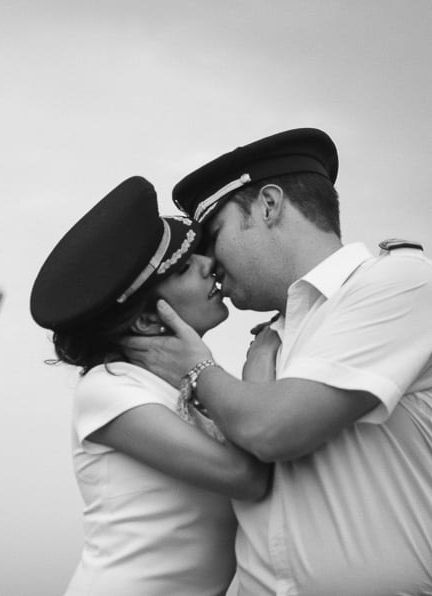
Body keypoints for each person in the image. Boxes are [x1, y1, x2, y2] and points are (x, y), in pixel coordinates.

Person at [125, 128, 432, 595]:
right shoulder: (271, 337)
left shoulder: (401, 282)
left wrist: (198, 368)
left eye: (213, 235)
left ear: (269, 205)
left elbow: (273, 430)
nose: (207, 261)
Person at [30, 176, 271, 596]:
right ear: (145, 320)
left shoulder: (191, 388)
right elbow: (248, 476)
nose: (207, 264)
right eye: (183, 268)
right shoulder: (109, 389)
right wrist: (262, 359)